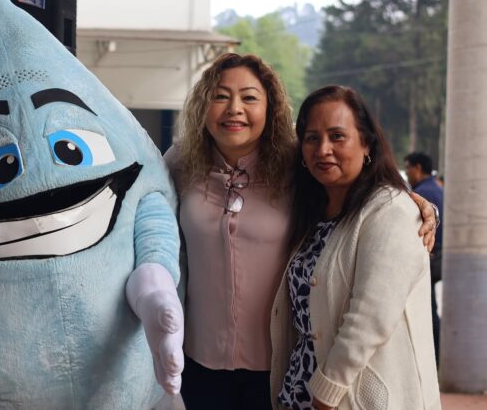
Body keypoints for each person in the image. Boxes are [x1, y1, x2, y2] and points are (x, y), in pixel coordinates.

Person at [164, 53, 437, 409]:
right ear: (203, 105)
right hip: (200, 363)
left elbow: (356, 186)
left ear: (271, 107)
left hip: (275, 367)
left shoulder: (297, 163)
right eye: (219, 96)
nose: (234, 109)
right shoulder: (180, 162)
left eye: (249, 98)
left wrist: (418, 204)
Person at [271, 86, 440, 410]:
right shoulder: (313, 211)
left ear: (367, 145)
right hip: (298, 393)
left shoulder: (391, 210)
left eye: (337, 136)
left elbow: (370, 316)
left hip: (348, 400)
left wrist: (326, 391)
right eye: (311, 138)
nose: (323, 149)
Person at [405, 151, 444, 364]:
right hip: (439, 254)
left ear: (417, 168)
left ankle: (433, 357)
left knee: (426, 309)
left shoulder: (421, 194)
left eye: (408, 167)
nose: (408, 172)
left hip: (430, 254)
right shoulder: (437, 188)